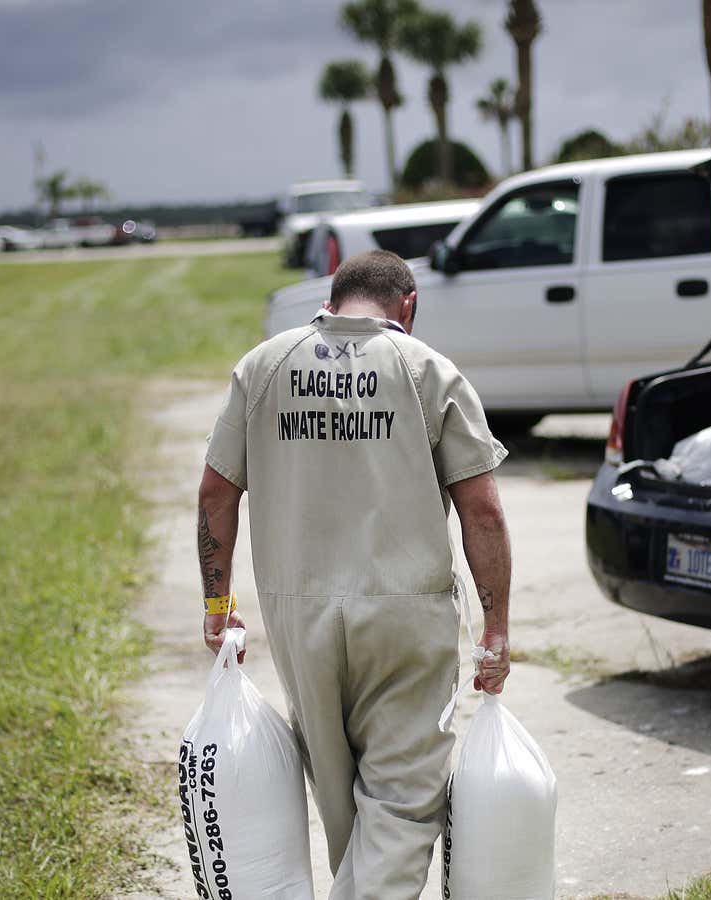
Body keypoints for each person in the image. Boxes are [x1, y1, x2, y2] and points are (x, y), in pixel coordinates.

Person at [196, 249, 512, 899]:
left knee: (341, 801)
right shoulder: (428, 370)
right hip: (406, 614)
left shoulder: (264, 366)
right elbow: (481, 512)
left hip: (298, 615)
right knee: (400, 807)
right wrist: (496, 630)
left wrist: (217, 603)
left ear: (330, 300)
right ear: (409, 306)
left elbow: (214, 496)